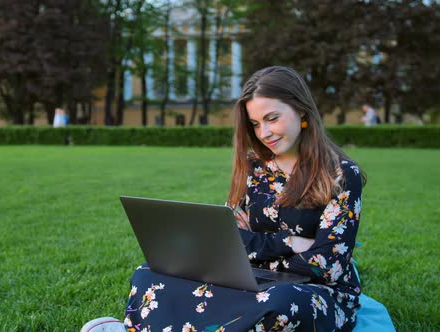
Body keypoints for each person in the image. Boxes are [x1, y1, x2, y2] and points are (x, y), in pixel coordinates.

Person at [104, 66, 366, 331]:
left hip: (316, 290)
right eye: (255, 124)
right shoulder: (255, 165)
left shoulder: (341, 174)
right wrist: (290, 242)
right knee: (148, 274)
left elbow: (328, 266)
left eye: (272, 118)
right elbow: (229, 240)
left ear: (300, 109)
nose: (264, 133)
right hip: (252, 277)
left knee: (282, 303)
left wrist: (256, 248)